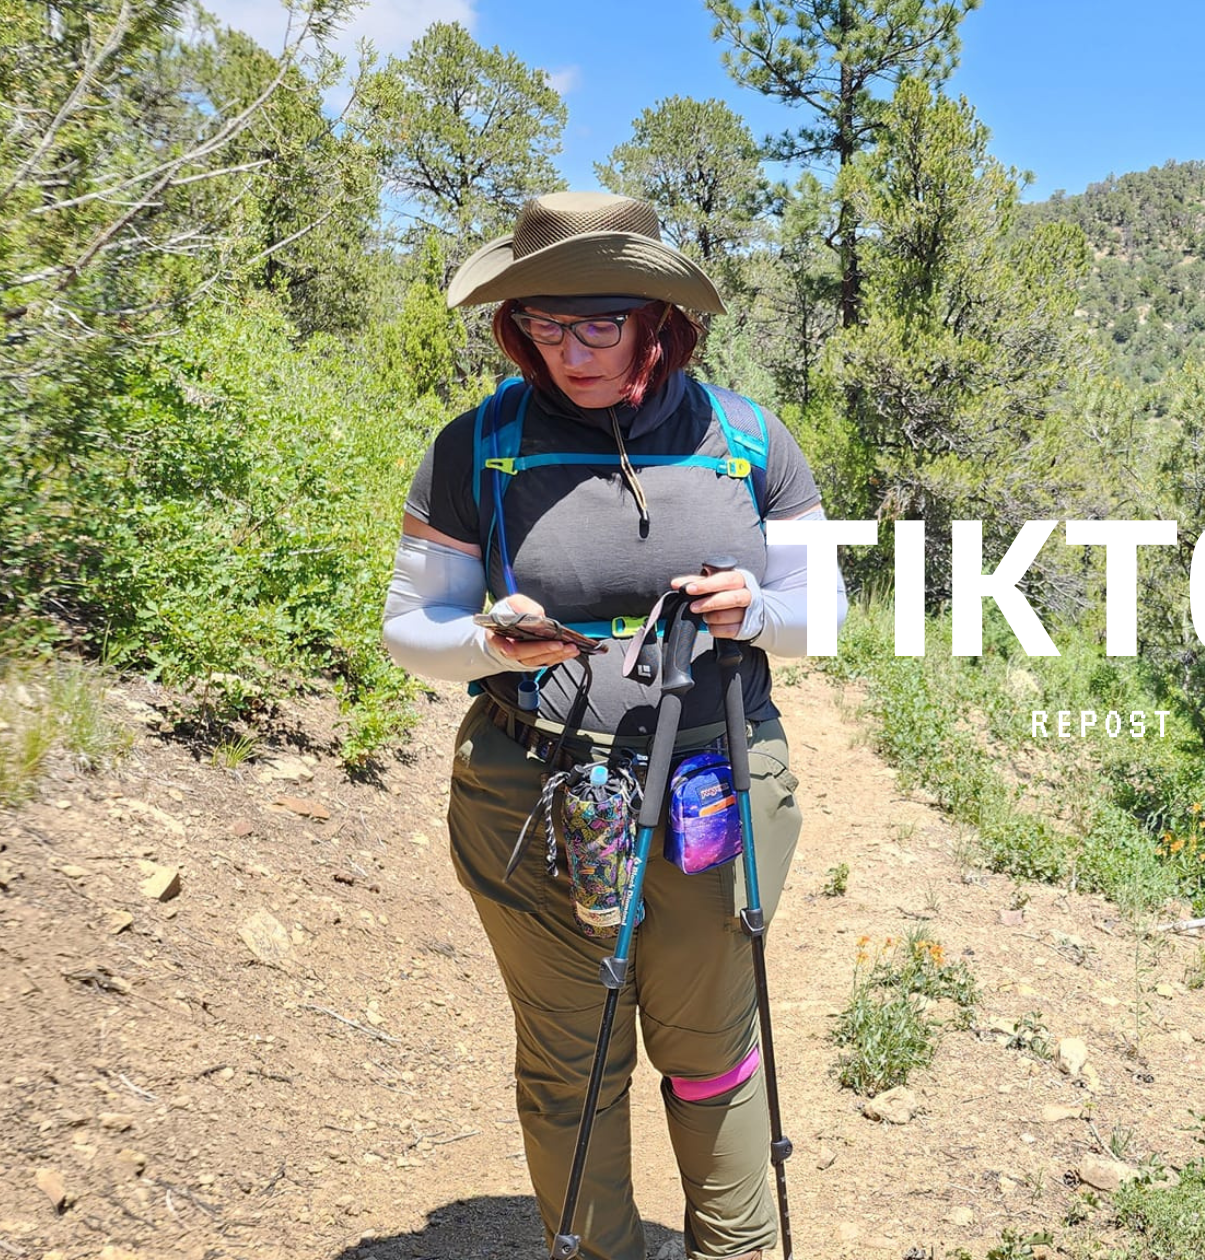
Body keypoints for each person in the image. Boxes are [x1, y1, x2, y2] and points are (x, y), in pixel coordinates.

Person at [381, 191, 839, 1260]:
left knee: (711, 1048)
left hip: (712, 782)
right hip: (528, 792)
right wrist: (492, 642)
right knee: (571, 1059)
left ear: (654, 321)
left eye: (597, 324)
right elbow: (413, 625)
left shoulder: (747, 440)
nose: (570, 350)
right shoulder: (473, 448)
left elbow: (822, 613)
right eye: (544, 324)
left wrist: (755, 611)